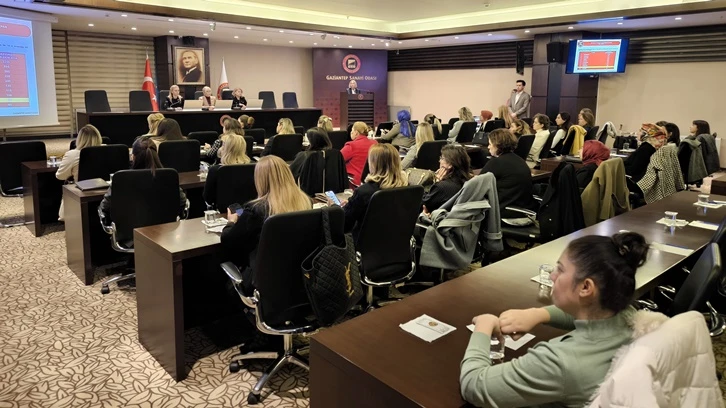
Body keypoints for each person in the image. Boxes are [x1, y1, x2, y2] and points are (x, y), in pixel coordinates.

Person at [461, 232, 648, 408]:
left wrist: (483, 325)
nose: (552, 276)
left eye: (560, 269)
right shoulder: (627, 315)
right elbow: (586, 312)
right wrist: (538, 314)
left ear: (585, 287)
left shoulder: (560, 362)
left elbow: (473, 386)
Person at [220, 155, 311, 295]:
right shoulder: (306, 202)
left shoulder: (256, 210)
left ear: (260, 180)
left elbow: (229, 240)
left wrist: (231, 222)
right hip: (299, 279)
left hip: (262, 283)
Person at [99, 137, 188, 232]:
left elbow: (105, 207)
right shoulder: (169, 176)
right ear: (156, 154)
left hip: (128, 235)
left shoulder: (121, 179)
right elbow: (182, 202)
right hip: (165, 234)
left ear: (133, 157)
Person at [342, 143, 407, 242]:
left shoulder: (364, 192)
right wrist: (352, 203)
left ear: (373, 164)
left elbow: (345, 224)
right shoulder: (408, 189)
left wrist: (334, 207)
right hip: (397, 244)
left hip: (363, 245)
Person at [481, 129, 538, 218]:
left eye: (490, 144)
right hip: (525, 209)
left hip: (506, 212)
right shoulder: (520, 160)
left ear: (497, 145)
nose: (488, 147)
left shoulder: (496, 162)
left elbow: (478, 185)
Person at [56, 125, 103, 220]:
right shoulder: (109, 150)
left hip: (82, 191)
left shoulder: (73, 154)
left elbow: (60, 176)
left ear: (79, 139)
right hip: (105, 189)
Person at [203, 133, 251, 208]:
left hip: (225, 210)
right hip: (248, 209)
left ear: (225, 149)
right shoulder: (253, 167)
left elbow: (208, 198)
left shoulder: (215, 170)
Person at [422, 144, 472, 213]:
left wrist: (436, 183)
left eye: (442, 158)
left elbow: (423, 203)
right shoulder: (469, 181)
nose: (439, 161)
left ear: (450, 165)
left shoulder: (440, 187)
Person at [341, 121, 377, 185]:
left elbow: (338, 159)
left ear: (356, 133)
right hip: (372, 180)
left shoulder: (351, 145)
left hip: (353, 182)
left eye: (352, 130)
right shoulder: (375, 143)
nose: (351, 132)